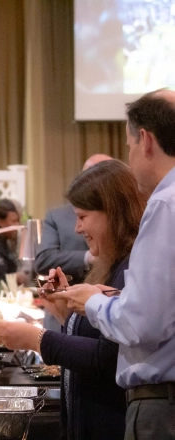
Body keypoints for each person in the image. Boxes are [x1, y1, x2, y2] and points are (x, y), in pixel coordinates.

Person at [0, 160, 146, 440]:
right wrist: (63, 312)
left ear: (112, 213)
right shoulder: (113, 264)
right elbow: (98, 337)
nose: (78, 229)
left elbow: (107, 356)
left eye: (82, 217)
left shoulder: (130, 267)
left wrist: (36, 339)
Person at [52, 89, 175, 440]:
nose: (130, 156)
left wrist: (92, 301)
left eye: (129, 146)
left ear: (146, 140)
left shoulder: (166, 204)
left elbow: (144, 323)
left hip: (161, 405)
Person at [35, 154, 113, 331]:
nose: (78, 228)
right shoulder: (57, 216)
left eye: (83, 217)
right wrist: (87, 258)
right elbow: (44, 259)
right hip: (64, 317)